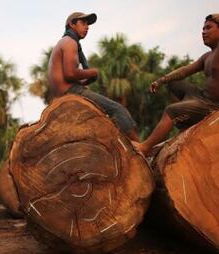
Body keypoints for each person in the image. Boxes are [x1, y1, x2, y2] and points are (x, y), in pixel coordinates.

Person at [135, 14, 219, 155]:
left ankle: (145, 147)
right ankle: (186, 124)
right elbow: (185, 71)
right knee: (173, 84)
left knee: (172, 110)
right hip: (201, 96)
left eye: (208, 28)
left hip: (213, 105)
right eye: (203, 28)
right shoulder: (207, 56)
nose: (203, 32)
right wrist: (162, 80)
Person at [48, 12, 139, 141]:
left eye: (88, 24)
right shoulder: (69, 42)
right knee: (117, 110)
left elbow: (69, 77)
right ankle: (141, 150)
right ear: (72, 24)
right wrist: (93, 72)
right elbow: (70, 73)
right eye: (83, 23)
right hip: (71, 92)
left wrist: (86, 79)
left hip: (66, 92)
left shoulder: (65, 42)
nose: (87, 27)